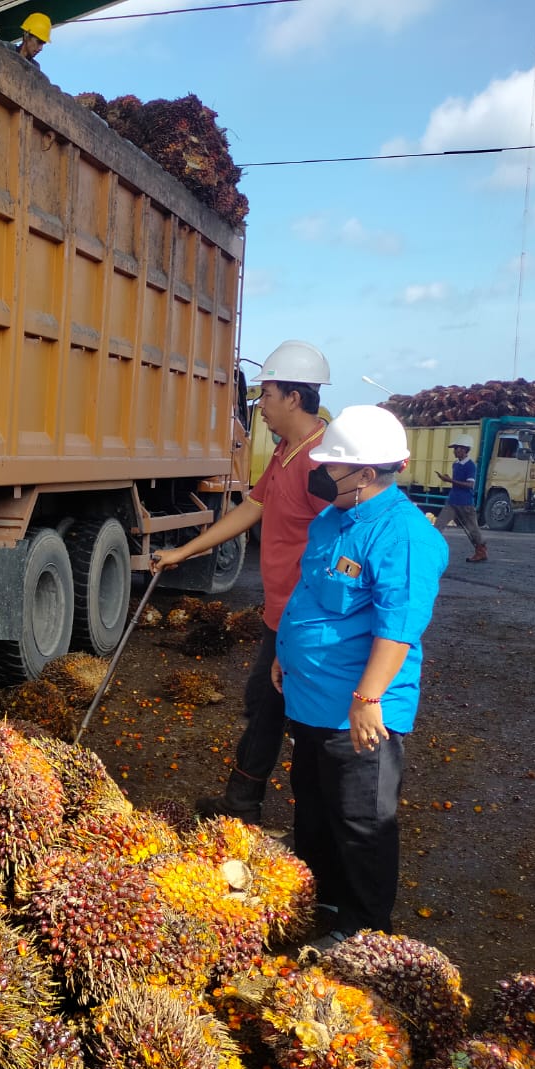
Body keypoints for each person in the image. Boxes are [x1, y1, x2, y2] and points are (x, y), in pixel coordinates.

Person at [272, 405, 448, 945]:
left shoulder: (405, 536)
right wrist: (286, 652)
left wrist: (368, 698)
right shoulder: (332, 521)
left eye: (332, 467)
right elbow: (310, 594)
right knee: (315, 812)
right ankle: (319, 903)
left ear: (366, 474)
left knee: (362, 824)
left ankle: (365, 929)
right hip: (309, 698)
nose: (321, 474)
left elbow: (397, 630)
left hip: (358, 710)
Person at [150, 340, 334, 824]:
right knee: (264, 704)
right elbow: (254, 507)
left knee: (307, 722)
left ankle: (317, 828)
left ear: (294, 397)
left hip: (308, 617)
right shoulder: (284, 451)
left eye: (267, 394)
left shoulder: (323, 462)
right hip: (281, 613)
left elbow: (341, 543)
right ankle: (241, 803)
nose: (261, 406)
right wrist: (184, 551)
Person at [434, 439, 487, 562]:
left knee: (472, 529)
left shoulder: (470, 466)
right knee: (438, 525)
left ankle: (481, 551)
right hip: (452, 501)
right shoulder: (456, 464)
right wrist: (449, 479)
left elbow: (469, 485)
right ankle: (431, 549)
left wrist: (450, 481)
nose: (454, 451)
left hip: (465, 503)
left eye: (456, 448)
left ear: (464, 449)